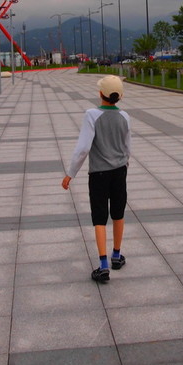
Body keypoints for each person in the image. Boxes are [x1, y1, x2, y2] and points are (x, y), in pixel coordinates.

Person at [62, 75, 132, 282]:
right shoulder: (125, 117)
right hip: (120, 171)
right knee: (118, 213)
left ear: (101, 93)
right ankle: (117, 256)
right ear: (119, 96)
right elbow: (128, 147)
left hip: (99, 174)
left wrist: (70, 173)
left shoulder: (92, 115)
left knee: (100, 218)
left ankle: (103, 266)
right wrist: (123, 164)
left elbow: (83, 148)